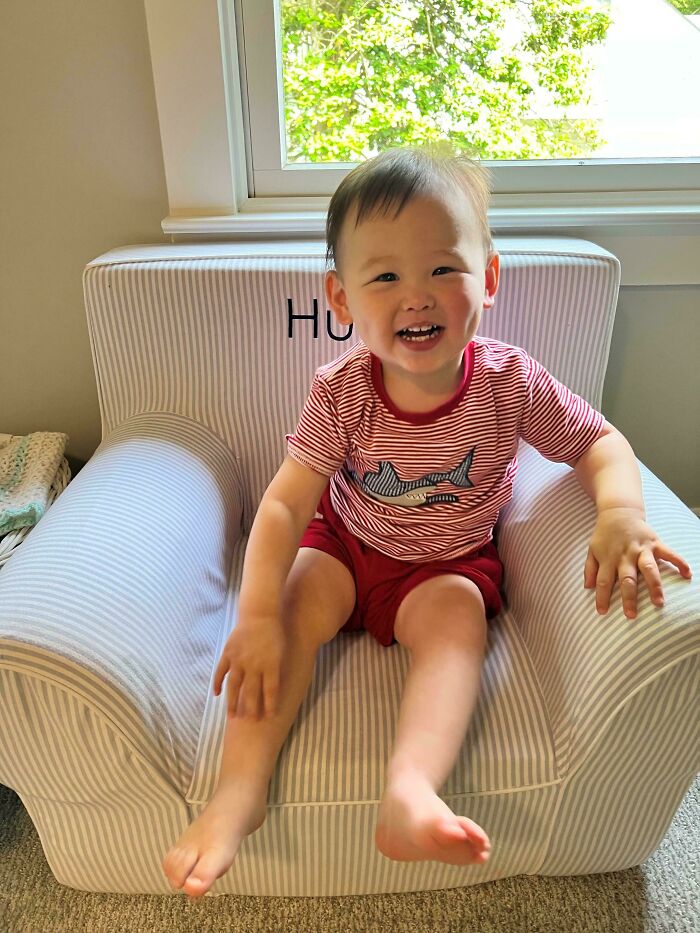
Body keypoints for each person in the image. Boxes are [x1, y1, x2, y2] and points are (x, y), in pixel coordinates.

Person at [162, 145, 692, 898]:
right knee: (283, 617)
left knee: (457, 632)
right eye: (384, 276)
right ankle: (237, 791)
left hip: (448, 562)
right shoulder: (341, 391)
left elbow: (599, 441)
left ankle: (411, 788)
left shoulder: (511, 381)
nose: (417, 296)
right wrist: (252, 614)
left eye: (444, 268)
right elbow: (284, 502)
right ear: (341, 300)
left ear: (490, 279)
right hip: (346, 545)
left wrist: (621, 514)